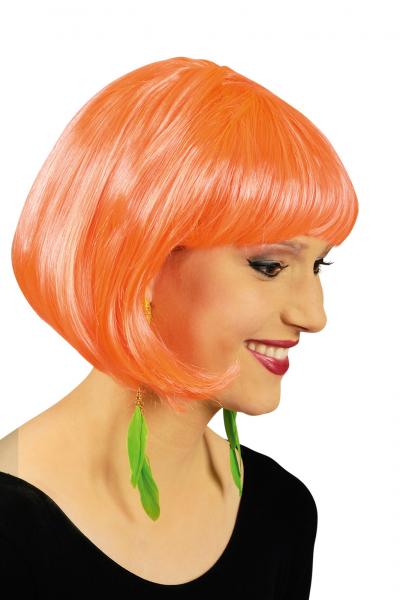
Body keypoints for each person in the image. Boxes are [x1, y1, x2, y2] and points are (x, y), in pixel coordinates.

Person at [0, 56, 358, 596]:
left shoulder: (281, 511)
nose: (314, 315)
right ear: (138, 261)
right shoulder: (10, 534)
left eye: (319, 265)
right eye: (270, 266)